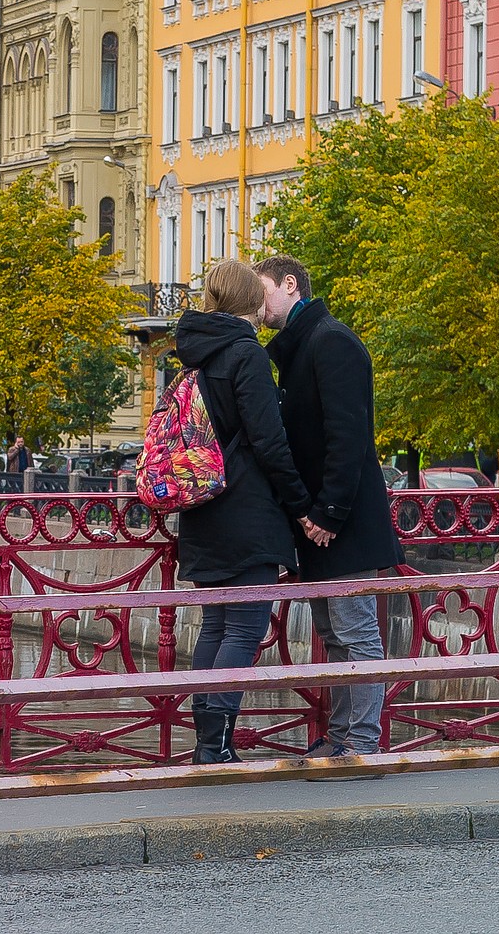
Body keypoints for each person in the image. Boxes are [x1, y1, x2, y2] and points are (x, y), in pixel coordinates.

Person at [255, 254, 403, 761]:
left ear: (290, 284)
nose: (259, 303)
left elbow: (348, 437)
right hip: (321, 522)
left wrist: (327, 513)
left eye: (263, 291)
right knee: (335, 637)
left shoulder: (331, 341)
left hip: (340, 524)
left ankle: (361, 744)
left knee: (356, 636)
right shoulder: (307, 344)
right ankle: (342, 739)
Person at [175, 258, 311, 765]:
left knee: (215, 627)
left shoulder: (193, 353)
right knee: (244, 629)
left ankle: (207, 742)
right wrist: (299, 504)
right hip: (246, 513)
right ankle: (217, 743)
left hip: (202, 511)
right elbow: (269, 441)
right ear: (250, 300)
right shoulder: (245, 354)